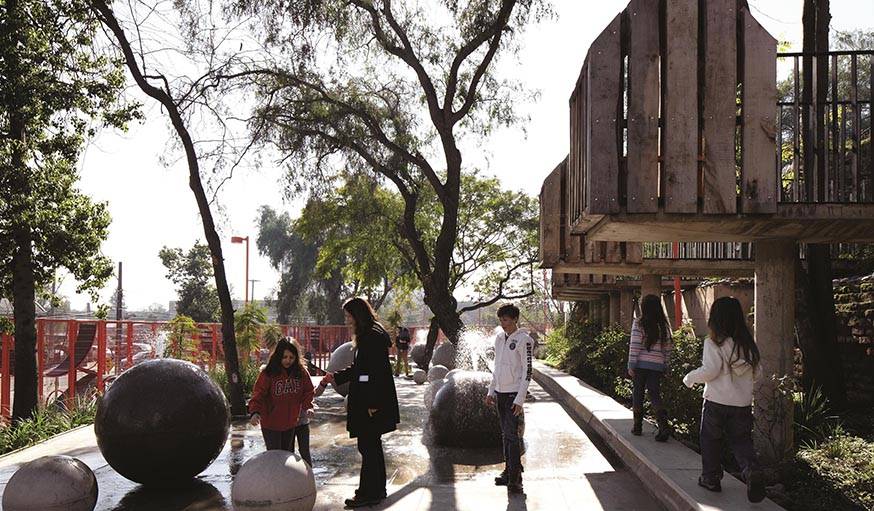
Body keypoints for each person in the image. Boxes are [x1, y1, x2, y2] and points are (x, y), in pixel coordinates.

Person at [683, 296, 765, 503]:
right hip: (742, 405)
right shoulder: (747, 345)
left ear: (715, 319)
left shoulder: (713, 342)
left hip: (716, 403)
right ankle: (751, 470)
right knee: (741, 441)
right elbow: (759, 374)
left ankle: (710, 478)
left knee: (710, 440)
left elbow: (710, 370)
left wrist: (690, 378)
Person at [320, 297, 400, 508]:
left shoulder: (371, 337)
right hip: (369, 401)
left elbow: (376, 374)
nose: (346, 320)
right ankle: (377, 489)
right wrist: (335, 377)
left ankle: (368, 493)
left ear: (357, 315)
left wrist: (373, 403)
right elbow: (361, 369)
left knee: (368, 447)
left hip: (370, 403)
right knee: (372, 447)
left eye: (348, 316)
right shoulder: (370, 334)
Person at [485, 303, 534, 496]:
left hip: (514, 394)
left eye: (506, 319)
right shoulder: (499, 338)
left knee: (512, 436)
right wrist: (491, 391)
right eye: (501, 320)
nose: (503, 323)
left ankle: (516, 480)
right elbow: (496, 366)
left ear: (514, 319)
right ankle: (508, 471)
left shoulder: (525, 340)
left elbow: (527, 371)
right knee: (506, 435)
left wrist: (520, 399)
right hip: (501, 392)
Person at [249, 338, 315, 454]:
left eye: (291, 358)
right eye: (284, 357)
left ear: (296, 357)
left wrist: (308, 406)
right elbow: (258, 394)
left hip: (290, 423)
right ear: (278, 356)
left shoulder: (301, 372)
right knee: (275, 457)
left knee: (287, 456)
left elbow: (308, 391)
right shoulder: (268, 373)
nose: (288, 361)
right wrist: (255, 412)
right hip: (271, 425)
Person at [627, 294, 673, 441]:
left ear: (643, 307)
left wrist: (631, 365)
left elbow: (635, 346)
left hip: (641, 365)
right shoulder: (663, 326)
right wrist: (665, 364)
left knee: (638, 393)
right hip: (657, 366)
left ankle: (637, 426)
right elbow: (668, 347)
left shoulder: (639, 323)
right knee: (655, 394)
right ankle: (663, 426)